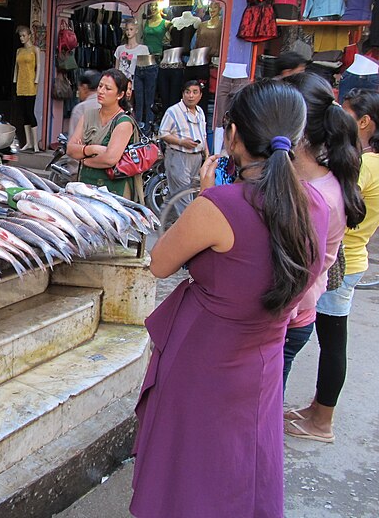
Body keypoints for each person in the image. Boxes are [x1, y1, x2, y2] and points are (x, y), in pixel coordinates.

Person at [131, 79, 329, 517]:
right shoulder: (315, 206)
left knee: (188, 467)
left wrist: (204, 195)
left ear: (233, 135)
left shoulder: (219, 204)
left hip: (203, 357)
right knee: (245, 460)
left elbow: (160, 263)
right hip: (262, 360)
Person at [284, 88, 379, 443]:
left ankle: (322, 421)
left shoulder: (363, 164)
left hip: (338, 261)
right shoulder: (370, 161)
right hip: (348, 257)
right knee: (329, 341)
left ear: (364, 122)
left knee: (332, 343)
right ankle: (316, 412)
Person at [66, 68, 136, 198]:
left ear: (120, 95)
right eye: (100, 86)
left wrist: (83, 159)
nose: (101, 91)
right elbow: (70, 149)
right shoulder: (88, 116)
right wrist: (93, 149)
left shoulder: (123, 122)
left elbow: (110, 159)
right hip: (86, 184)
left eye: (108, 88)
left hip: (114, 189)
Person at [158, 80, 208, 217]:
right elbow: (163, 133)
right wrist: (181, 142)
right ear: (183, 94)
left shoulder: (200, 112)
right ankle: (189, 231)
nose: (191, 96)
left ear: (200, 95)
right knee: (183, 197)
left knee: (178, 195)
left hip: (196, 157)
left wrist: (207, 156)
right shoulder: (173, 111)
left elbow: (203, 136)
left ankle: (163, 223)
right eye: (188, 92)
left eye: (195, 92)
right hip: (178, 156)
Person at [13, 25, 41, 152]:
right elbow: (16, 67)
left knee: (30, 112)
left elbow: (39, 65)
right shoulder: (19, 51)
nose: (22, 38)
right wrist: (15, 80)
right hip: (20, 83)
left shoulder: (35, 49)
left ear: (29, 36)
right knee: (23, 113)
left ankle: (35, 143)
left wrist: (36, 79)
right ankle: (28, 142)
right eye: (20, 36)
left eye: (24, 35)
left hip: (30, 83)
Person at [67, 69, 101, 134]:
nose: (78, 92)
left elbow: (73, 138)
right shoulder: (108, 105)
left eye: (79, 89)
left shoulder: (80, 108)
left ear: (84, 88)